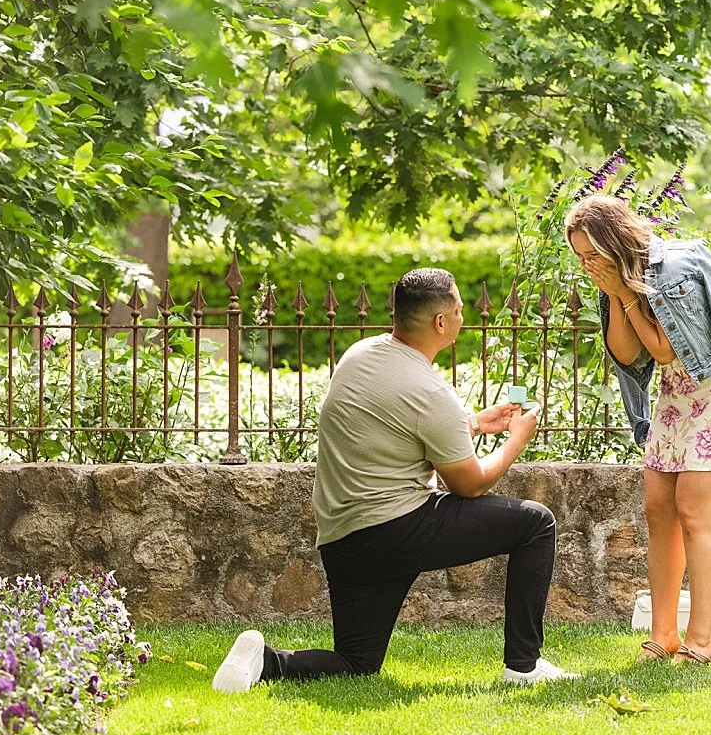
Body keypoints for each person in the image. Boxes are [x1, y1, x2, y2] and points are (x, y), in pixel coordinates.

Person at [212, 267, 578, 691]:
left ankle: (265, 661)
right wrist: (517, 440)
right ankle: (524, 666)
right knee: (535, 523)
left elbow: (392, 426)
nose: (463, 317)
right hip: (398, 530)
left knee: (357, 661)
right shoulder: (430, 393)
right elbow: (470, 484)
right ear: (441, 322)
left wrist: (473, 424)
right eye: (459, 309)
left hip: (343, 539)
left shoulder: (360, 354)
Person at [565, 195, 711, 666]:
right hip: (679, 396)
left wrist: (625, 293)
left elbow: (662, 350)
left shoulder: (674, 271)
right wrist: (617, 295)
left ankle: (702, 640)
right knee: (659, 511)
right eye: (579, 256)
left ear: (613, 240)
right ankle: (663, 636)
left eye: (591, 253)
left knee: (694, 512)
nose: (586, 264)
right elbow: (626, 353)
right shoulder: (616, 283)